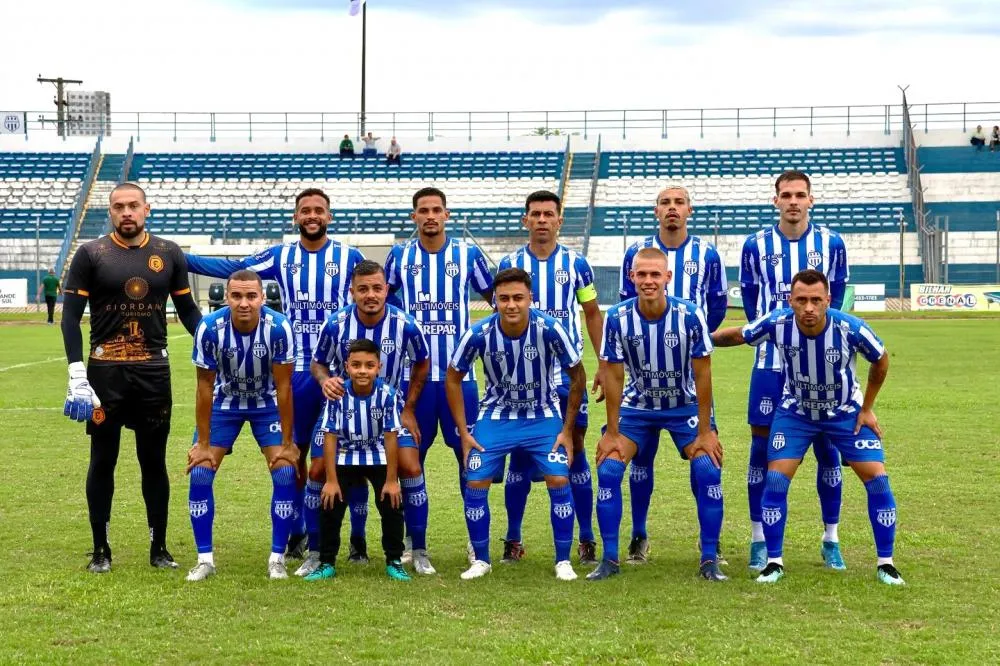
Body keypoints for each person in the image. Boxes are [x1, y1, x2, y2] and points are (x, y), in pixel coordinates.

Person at [183, 188, 364, 560]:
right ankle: (299, 533)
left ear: (329, 216)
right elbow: (232, 269)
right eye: (305, 211)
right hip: (295, 369)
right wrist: (177, 257)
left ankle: (356, 541)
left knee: (347, 452)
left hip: (337, 369)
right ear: (296, 217)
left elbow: (376, 294)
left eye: (319, 210)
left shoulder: (350, 257)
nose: (312, 216)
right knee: (291, 454)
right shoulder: (282, 256)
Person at [711, 269, 903, 586]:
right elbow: (739, 335)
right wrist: (698, 338)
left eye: (816, 300)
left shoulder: (849, 328)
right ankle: (774, 561)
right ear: (791, 300)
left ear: (828, 300)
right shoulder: (778, 322)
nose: (809, 308)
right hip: (796, 413)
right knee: (775, 479)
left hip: (844, 412)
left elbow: (881, 359)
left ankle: (886, 563)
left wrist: (867, 407)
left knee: (877, 480)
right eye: (802, 300)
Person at [60, 182, 203, 573]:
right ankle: (100, 549)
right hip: (104, 375)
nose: (126, 212)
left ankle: (159, 547)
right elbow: (70, 317)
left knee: (153, 461)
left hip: (153, 373)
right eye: (119, 206)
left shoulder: (168, 253)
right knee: (102, 459)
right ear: (111, 212)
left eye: (133, 206)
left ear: (146, 209)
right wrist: (76, 370)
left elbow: (188, 311)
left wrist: (212, 341)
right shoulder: (91, 254)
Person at [588, 247, 725, 582]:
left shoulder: (690, 316)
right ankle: (610, 559)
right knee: (608, 470)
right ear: (631, 277)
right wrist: (612, 431)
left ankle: (709, 558)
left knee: (707, 468)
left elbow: (704, 375)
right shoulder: (618, 318)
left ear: (668, 278)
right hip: (637, 408)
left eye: (655, 274)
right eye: (641, 274)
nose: (648, 281)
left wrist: (706, 431)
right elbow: (615, 376)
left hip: (684, 407)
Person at [739, 169, 850, 572]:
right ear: (776, 201)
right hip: (770, 362)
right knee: (761, 449)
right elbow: (751, 301)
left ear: (811, 200)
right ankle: (757, 538)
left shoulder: (832, 243)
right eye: (785, 194)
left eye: (800, 194)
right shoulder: (755, 245)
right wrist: (777, 335)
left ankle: (831, 538)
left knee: (828, 448)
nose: (793, 201)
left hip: (823, 364)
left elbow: (838, 298)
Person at [447, 267, 586, 581]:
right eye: (504, 298)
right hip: (496, 417)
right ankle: (481, 560)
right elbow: (453, 378)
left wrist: (566, 430)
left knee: (558, 479)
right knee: (476, 480)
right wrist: (465, 433)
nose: (511, 304)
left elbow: (577, 376)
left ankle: (563, 560)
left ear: (530, 299)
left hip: (542, 416)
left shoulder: (550, 329)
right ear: (494, 300)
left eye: (518, 298)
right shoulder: (479, 333)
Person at [617, 184, 728, 564]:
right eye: (665, 203)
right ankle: (639, 534)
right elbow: (623, 306)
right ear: (656, 211)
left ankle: (708, 541)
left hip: (688, 374)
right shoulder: (636, 252)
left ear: (689, 210)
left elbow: (716, 305)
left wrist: (692, 341)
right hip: (644, 376)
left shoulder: (707, 254)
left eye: (679, 203)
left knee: (703, 455)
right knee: (640, 459)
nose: (672, 209)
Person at [382, 187, 494, 562]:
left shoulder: (468, 255)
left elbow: (498, 298)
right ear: (414, 216)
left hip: (460, 381)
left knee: (470, 459)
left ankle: (475, 542)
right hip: (412, 383)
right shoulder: (399, 257)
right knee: (412, 463)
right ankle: (416, 543)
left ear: (447, 215)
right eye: (423, 210)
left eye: (436, 210)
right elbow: (382, 300)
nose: (430, 216)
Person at [497, 190, 604, 566]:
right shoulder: (510, 263)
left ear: (560, 220)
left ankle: (586, 537)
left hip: (565, 378)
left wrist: (604, 361)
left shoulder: (577, 264)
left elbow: (591, 312)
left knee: (573, 450)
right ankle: (513, 538)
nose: (542, 220)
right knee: (521, 458)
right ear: (525, 220)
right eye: (535, 214)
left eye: (549, 214)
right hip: (520, 380)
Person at [304, 259, 431, 575]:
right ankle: (316, 550)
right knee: (318, 469)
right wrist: (325, 380)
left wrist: (409, 409)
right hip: (343, 413)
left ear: (386, 289)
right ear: (352, 292)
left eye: (377, 288)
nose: (370, 294)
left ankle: (418, 549)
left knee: (411, 466)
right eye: (363, 289)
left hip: (389, 412)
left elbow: (422, 364)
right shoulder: (335, 325)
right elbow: (317, 363)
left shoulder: (406, 325)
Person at [184, 270, 298, 582]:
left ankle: (278, 558)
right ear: (226, 298)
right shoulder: (209, 328)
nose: (244, 303)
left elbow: (285, 388)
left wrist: (288, 443)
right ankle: (204, 559)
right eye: (237, 296)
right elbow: (204, 388)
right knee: (201, 472)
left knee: (286, 471)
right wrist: (204, 444)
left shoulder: (279, 328)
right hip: (225, 403)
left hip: (268, 403)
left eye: (251, 296)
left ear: (262, 297)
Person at [304, 339, 410, 582]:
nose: (363, 370)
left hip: (378, 454)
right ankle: (326, 561)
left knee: (392, 503)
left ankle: (394, 559)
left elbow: (391, 438)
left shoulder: (387, 394)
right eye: (357, 365)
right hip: (345, 455)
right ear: (347, 367)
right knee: (330, 503)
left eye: (369, 365)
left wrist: (392, 480)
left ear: (378, 367)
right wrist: (331, 480)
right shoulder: (337, 394)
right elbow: (330, 437)